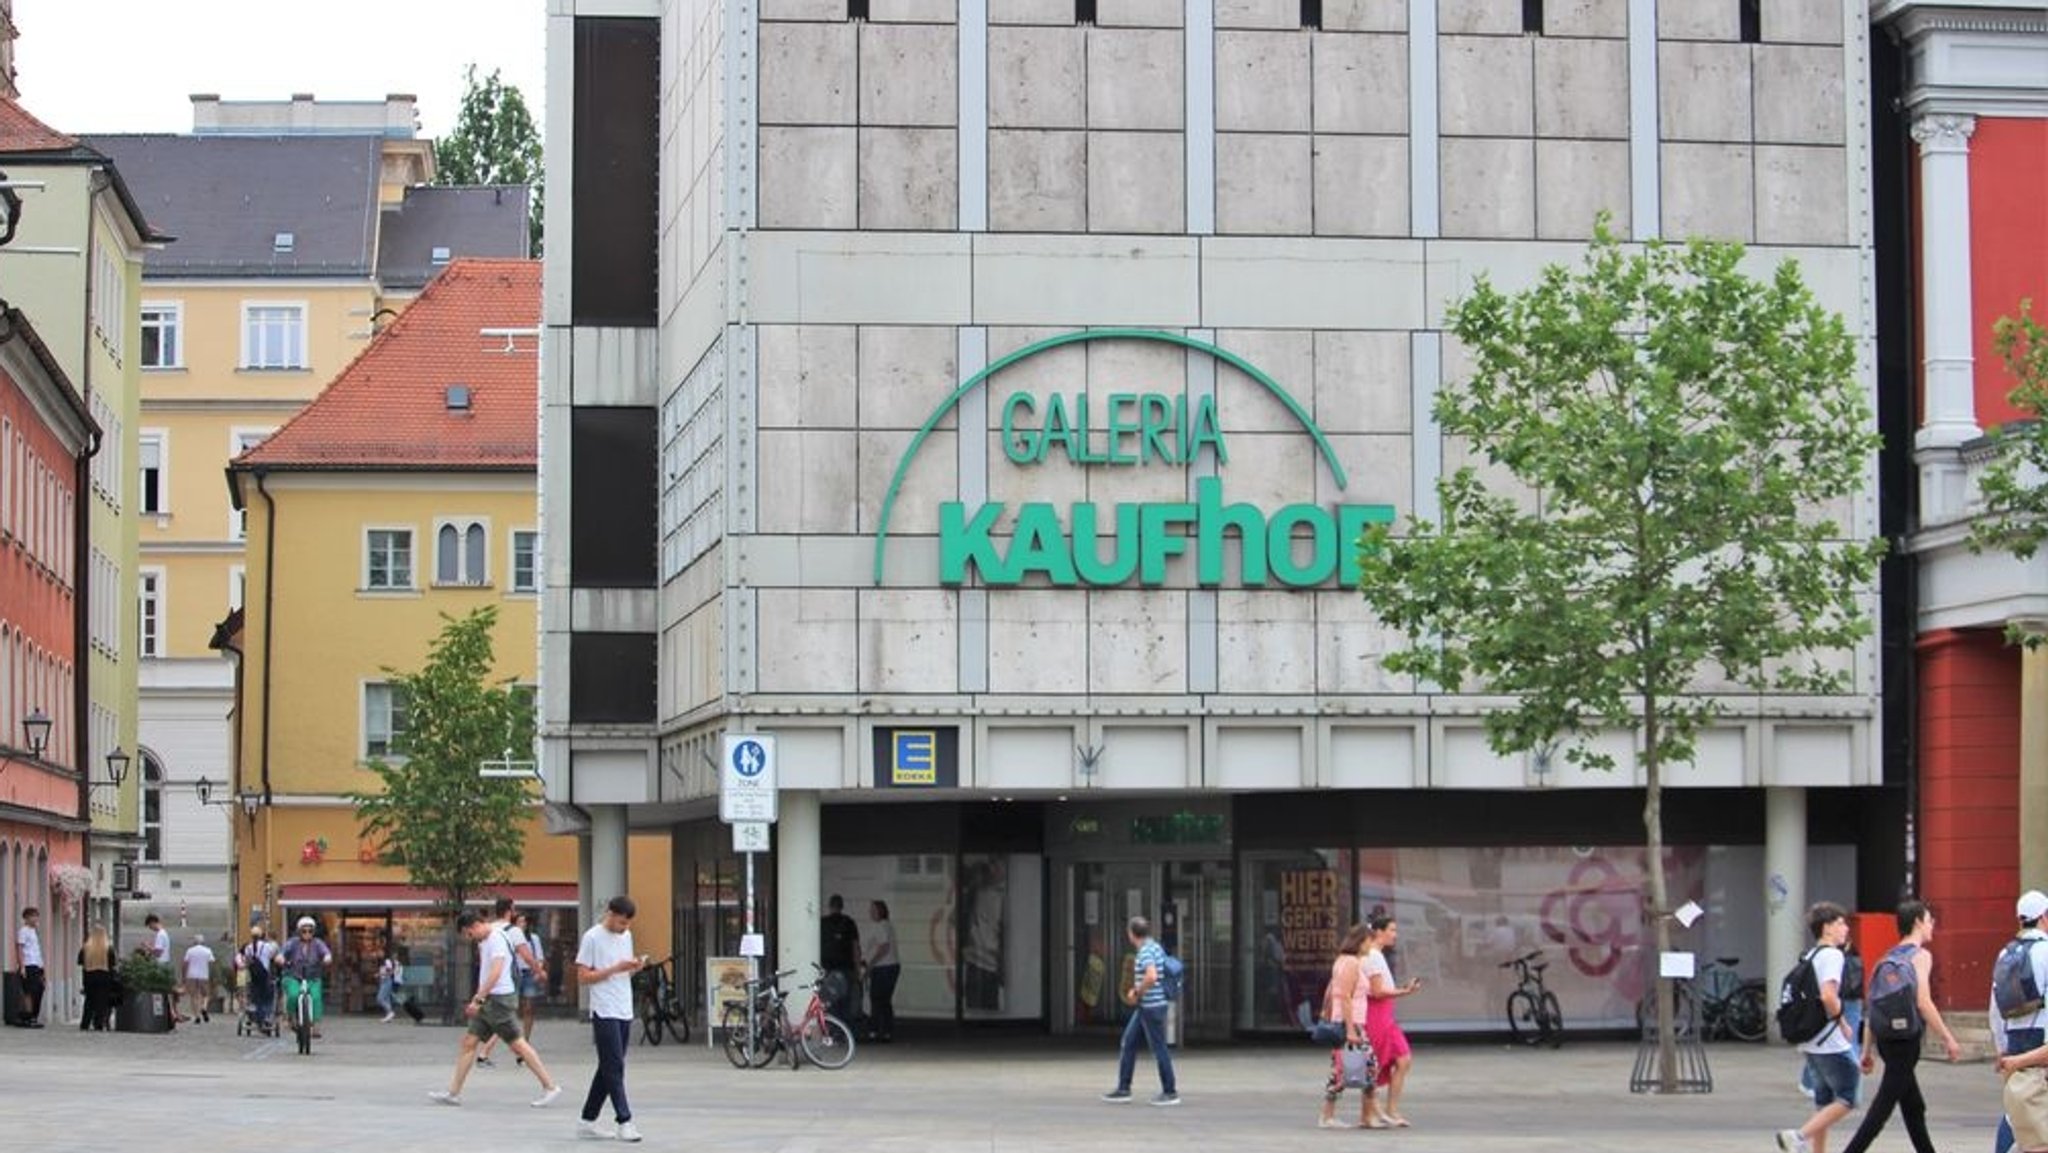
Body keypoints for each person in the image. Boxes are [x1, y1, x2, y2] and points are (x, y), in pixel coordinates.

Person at [1836, 899, 1961, 1153]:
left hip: (1886, 1041)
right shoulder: (1921, 956)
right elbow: (1924, 1003)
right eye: (1929, 920)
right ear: (1917, 922)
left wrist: (1867, 1049)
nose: (1932, 926)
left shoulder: (1887, 957)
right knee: (1882, 1108)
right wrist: (1948, 1037)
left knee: (1913, 1105)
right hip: (1907, 1041)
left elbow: (1873, 1005)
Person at [429, 910, 562, 1108]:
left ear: (474, 926)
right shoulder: (488, 938)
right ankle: (453, 1093)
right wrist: (481, 999)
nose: (470, 939)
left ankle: (550, 1086)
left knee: (517, 1044)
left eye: (469, 934)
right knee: (469, 1042)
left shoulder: (495, 940)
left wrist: (477, 999)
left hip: (499, 1000)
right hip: (490, 999)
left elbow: (496, 973)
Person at [1778, 901, 1861, 1153]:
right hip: (1829, 1040)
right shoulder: (1833, 955)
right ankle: (1798, 1136)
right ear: (1826, 928)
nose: (1845, 928)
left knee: (1823, 1103)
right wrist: (1843, 1023)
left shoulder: (1811, 955)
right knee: (1848, 1098)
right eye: (1840, 923)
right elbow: (1828, 995)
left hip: (1811, 1041)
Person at [574, 896, 645, 1142]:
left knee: (609, 1065)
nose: (624, 928)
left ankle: (587, 1118)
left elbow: (622, 968)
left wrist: (633, 967)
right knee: (614, 1064)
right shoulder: (592, 937)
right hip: (604, 1008)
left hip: (623, 1005)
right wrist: (614, 969)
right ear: (610, 914)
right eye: (621, 923)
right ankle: (624, 1120)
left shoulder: (626, 936)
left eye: (627, 924)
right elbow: (583, 977)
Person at [1100, 915, 1178, 1106]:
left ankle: (1170, 1091)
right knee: (1128, 1042)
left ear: (1131, 934)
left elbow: (1151, 976)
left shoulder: (1145, 952)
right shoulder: (1155, 946)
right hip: (1148, 1007)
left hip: (1150, 1006)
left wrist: (1137, 991)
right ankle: (1123, 1088)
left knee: (1159, 1048)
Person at [1994, 890, 2048, 1153]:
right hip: (2041, 1046)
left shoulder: (2006, 954)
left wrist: (2003, 1049)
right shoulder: (2046, 951)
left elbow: (1995, 1008)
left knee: (2017, 1118)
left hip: (2014, 1043)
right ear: (2044, 918)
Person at [1317, 924, 1382, 1130]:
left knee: (1340, 1069)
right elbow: (1344, 996)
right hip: (1350, 1023)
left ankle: (1331, 1115)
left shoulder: (1342, 961)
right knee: (1370, 1066)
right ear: (1361, 941)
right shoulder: (1352, 963)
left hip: (1346, 1021)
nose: (1371, 947)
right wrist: (1352, 1030)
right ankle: (1364, 1116)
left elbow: (1331, 990)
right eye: (1369, 941)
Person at [1363, 914, 1420, 1127]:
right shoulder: (1373, 956)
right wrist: (1405, 991)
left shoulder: (1375, 955)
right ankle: (1374, 1113)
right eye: (1392, 930)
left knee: (1401, 1059)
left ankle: (1388, 1110)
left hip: (1384, 1013)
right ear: (1379, 932)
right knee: (1377, 1063)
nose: (1395, 935)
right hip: (1378, 1015)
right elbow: (1377, 992)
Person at [480, 897, 546, 1065]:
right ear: (510, 910)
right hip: (506, 982)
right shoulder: (514, 931)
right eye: (514, 909)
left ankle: (512, 1053)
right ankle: (521, 1054)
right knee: (506, 1019)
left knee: (499, 1019)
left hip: (488, 983)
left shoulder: (488, 928)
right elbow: (528, 956)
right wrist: (540, 971)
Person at [279, 916, 333, 1036]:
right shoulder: (292, 943)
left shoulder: (318, 943)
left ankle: (315, 1026)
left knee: (316, 998)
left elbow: (326, 953)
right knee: (293, 995)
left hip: (313, 977)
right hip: (294, 976)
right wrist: (281, 958)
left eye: (310, 931)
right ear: (299, 931)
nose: (307, 933)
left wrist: (327, 958)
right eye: (304, 931)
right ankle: (291, 1017)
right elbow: (282, 953)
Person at [820, 894, 862, 1026]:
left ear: (830, 906)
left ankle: (832, 1028)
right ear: (841, 906)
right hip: (846, 967)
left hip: (828, 967)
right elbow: (855, 947)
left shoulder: (822, 923)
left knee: (830, 999)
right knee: (846, 1000)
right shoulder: (849, 923)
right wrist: (857, 967)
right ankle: (845, 1029)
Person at [864, 900, 901, 1043]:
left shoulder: (881, 927)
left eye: (873, 910)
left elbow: (884, 948)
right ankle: (886, 1031)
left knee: (877, 999)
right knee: (884, 1000)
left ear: (880, 911)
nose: (871, 912)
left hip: (883, 967)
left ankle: (875, 1030)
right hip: (890, 966)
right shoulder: (887, 926)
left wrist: (870, 965)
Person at [241, 925, 280, 1035]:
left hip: (253, 977)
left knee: (255, 997)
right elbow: (274, 957)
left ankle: (257, 1017)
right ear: (262, 935)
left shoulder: (248, 947)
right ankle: (266, 1017)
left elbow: (246, 960)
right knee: (267, 997)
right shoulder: (267, 947)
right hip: (265, 975)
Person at [78, 923, 116, 1031]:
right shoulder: (108, 948)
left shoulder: (86, 947)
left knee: (89, 1000)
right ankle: (98, 1023)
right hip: (104, 976)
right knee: (102, 1001)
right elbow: (112, 963)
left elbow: (80, 961)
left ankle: (85, 1023)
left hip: (89, 976)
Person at [12, 907, 43, 1027]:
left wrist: (42, 967)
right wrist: (22, 966)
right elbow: (20, 948)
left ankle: (31, 1015)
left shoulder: (34, 931)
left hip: (36, 965)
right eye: (33, 916)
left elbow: (37, 951)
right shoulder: (23, 931)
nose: (36, 918)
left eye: (37, 916)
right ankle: (28, 1017)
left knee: (39, 989)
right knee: (29, 992)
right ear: (27, 917)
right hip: (28, 965)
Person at [182, 933, 217, 1024]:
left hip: (191, 974)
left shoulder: (190, 951)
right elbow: (212, 963)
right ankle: (204, 1007)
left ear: (194, 942)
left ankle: (197, 1016)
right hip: (204, 975)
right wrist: (212, 975)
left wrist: (184, 976)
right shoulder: (207, 951)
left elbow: (185, 963)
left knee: (194, 996)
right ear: (203, 941)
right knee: (206, 994)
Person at [377, 949, 400, 1023]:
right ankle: (389, 1016)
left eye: (380, 952)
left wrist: (379, 974)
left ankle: (390, 1012)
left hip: (386, 981)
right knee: (386, 999)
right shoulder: (389, 962)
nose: (378, 953)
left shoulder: (388, 961)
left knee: (380, 998)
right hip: (386, 981)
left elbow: (390, 972)